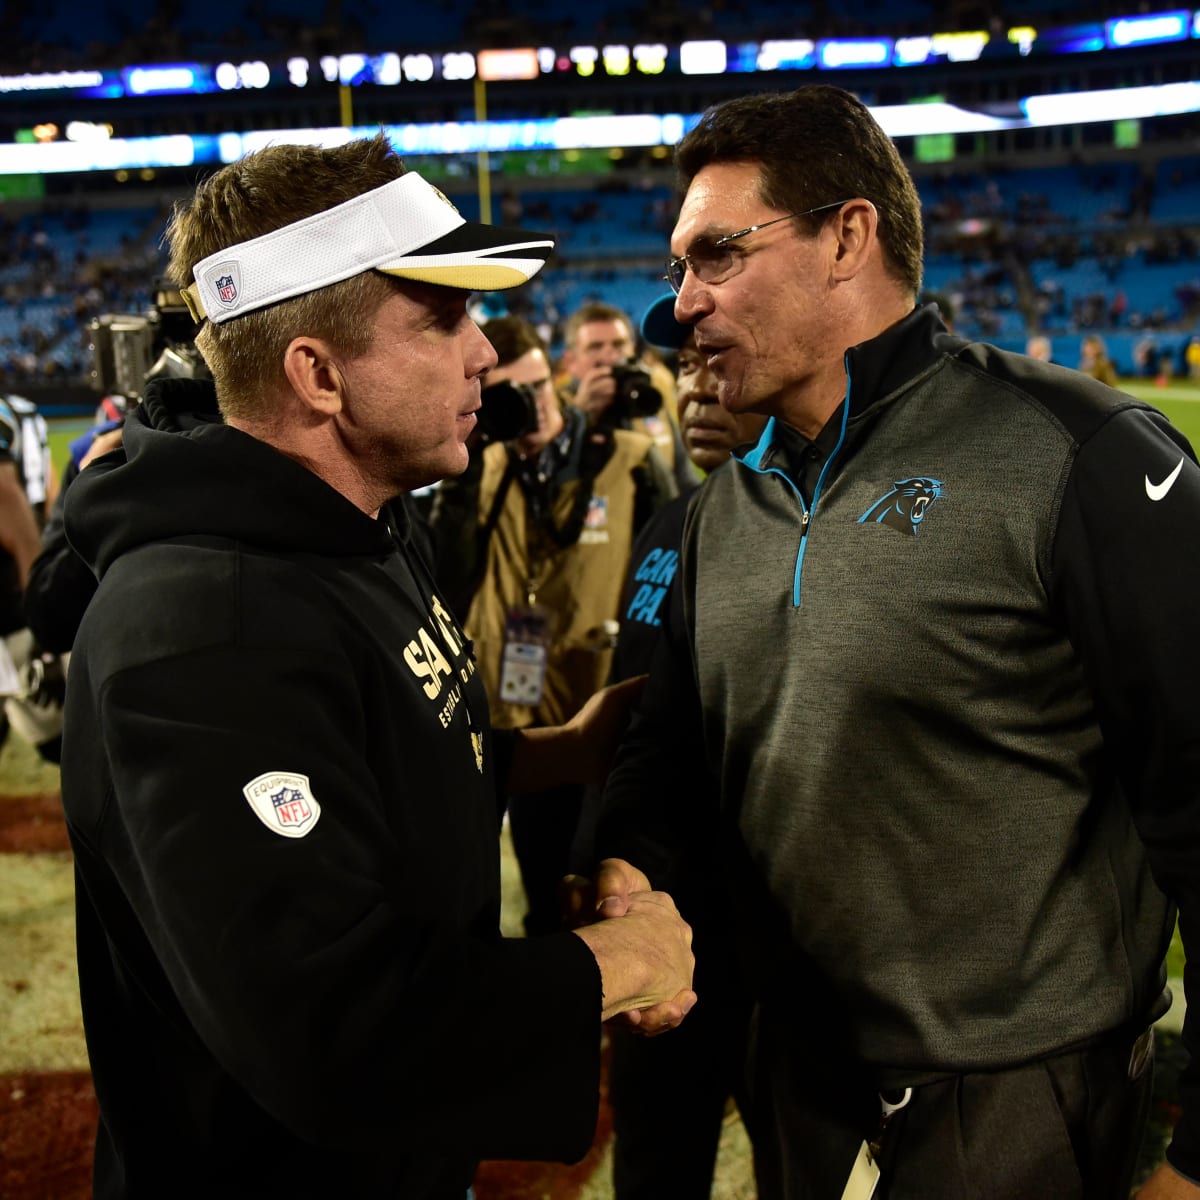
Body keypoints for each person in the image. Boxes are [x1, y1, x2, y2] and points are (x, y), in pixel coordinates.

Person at [58, 133, 696, 1200]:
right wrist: (618, 965)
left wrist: (546, 756)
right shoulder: (201, 631)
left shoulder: (354, 523)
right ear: (316, 375)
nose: (484, 352)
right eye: (442, 318)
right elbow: (335, 1024)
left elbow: (366, 761)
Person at [592, 84, 1200, 1200]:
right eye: (679, 265)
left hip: (1021, 1093)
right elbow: (671, 754)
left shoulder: (1081, 455)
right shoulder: (725, 507)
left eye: (716, 254)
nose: (681, 305)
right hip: (801, 1084)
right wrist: (636, 864)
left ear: (847, 237)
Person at [592, 293, 767, 1199]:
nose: (697, 389)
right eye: (686, 369)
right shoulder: (670, 522)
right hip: (659, 926)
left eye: (717, 365)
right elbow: (637, 719)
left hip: (766, 945)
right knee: (656, 1162)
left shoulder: (801, 540)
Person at [430, 314, 678, 937]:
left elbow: (663, 574)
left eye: (539, 386)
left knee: (600, 891)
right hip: (513, 718)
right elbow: (449, 577)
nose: (533, 406)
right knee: (532, 895)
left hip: (597, 708)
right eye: (511, 392)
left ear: (558, 377)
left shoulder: (627, 459)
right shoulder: (478, 467)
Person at [559, 300, 701, 493]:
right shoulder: (557, 412)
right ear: (570, 361)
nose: (609, 356)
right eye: (595, 347)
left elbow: (685, 482)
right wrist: (579, 417)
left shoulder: (651, 406)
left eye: (618, 344)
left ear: (632, 348)